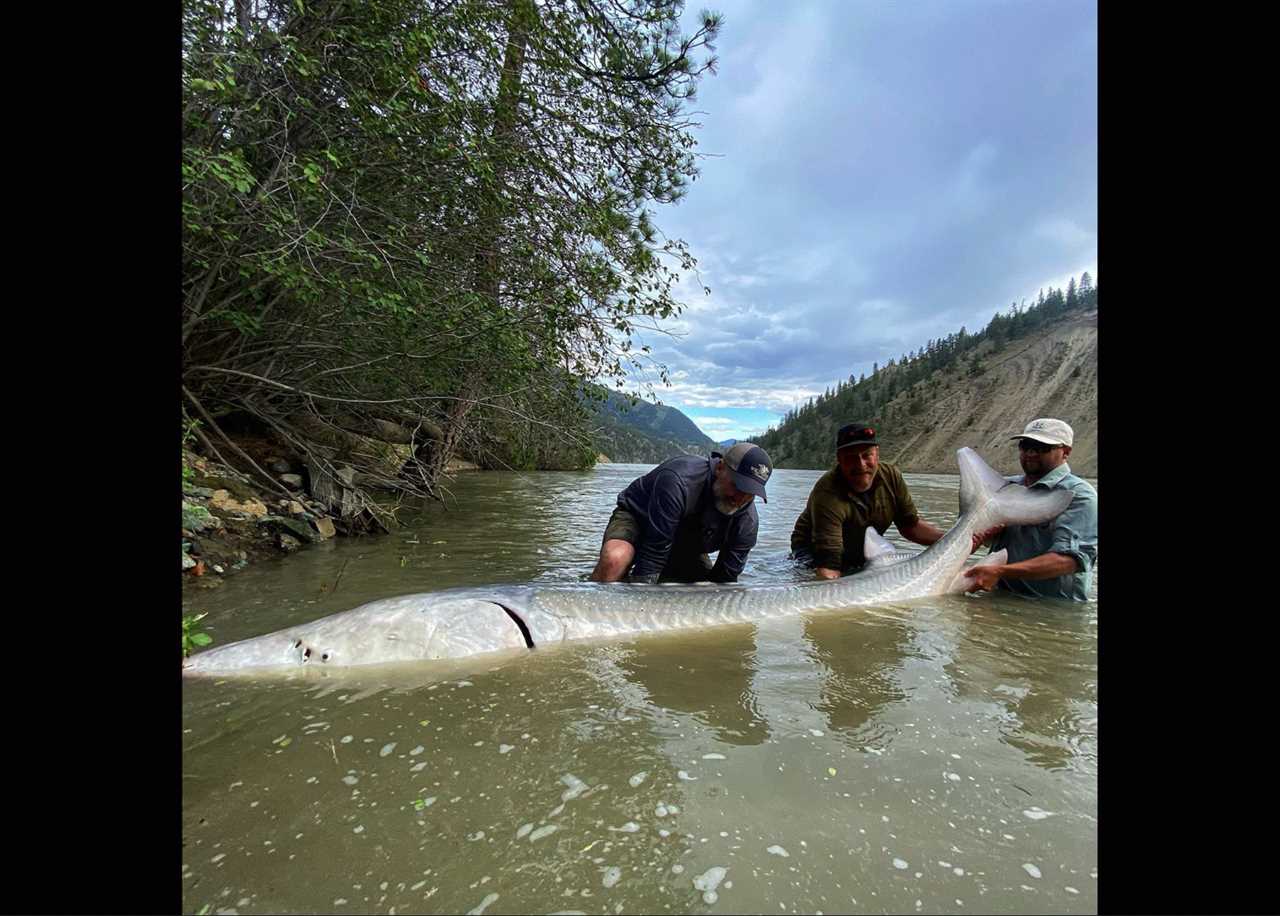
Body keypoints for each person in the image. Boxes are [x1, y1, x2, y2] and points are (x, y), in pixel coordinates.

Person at [589, 442, 774, 585]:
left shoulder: (747, 523)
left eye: (750, 493)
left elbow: (725, 580)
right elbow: (653, 555)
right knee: (616, 559)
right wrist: (641, 604)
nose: (740, 498)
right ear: (720, 468)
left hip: (685, 541)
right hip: (640, 519)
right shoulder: (678, 480)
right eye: (737, 486)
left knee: (699, 591)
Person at [964, 418, 1098, 601]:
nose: (1031, 453)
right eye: (1025, 445)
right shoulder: (1005, 488)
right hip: (999, 598)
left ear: (1066, 452)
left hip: (1053, 609)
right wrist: (984, 537)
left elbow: (1069, 561)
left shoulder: (1079, 495)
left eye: (1042, 447)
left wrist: (1001, 571)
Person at [790, 423, 946, 578]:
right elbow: (828, 566)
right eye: (851, 458)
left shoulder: (891, 477)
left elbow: (910, 526)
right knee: (812, 578)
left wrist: (952, 539)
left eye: (866, 455)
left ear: (877, 454)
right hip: (812, 550)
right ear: (839, 459)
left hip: (859, 548)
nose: (861, 465)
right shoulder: (827, 492)